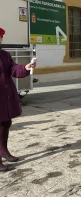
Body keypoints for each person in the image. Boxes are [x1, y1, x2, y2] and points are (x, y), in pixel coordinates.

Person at [0, 27, 36, 171]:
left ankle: (4, 151)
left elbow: (13, 70)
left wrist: (25, 68)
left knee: (6, 123)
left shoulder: (5, 55)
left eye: (0, 38)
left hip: (5, 95)